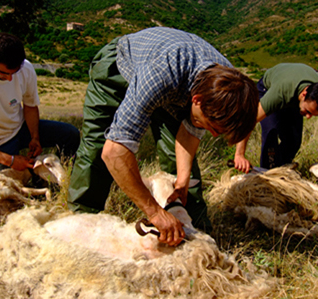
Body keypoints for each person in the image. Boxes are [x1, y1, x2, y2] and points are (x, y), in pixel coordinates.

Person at [68, 27, 259, 246]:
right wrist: (154, 212)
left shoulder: (227, 87)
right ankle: (82, 225)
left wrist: (183, 178)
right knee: (97, 146)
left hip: (176, 85)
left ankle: (197, 234)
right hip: (119, 71)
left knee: (179, 164)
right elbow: (114, 152)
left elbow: (190, 129)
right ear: (196, 100)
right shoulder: (161, 73)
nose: (212, 135)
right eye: (211, 127)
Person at [0, 32, 80, 172]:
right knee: (7, 185)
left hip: (20, 128)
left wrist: (35, 137)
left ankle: (66, 178)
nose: (10, 79)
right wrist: (10, 160)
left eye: (15, 72)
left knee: (70, 134)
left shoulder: (25, 68)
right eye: (4, 73)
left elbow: (30, 106)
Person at [233, 63, 318, 178]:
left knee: (293, 141)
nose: (308, 117)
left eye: (314, 115)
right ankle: (267, 177)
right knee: (271, 134)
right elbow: (249, 120)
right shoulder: (279, 93)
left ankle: (280, 172)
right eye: (308, 112)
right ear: (304, 94)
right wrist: (239, 154)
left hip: (294, 95)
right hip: (268, 88)